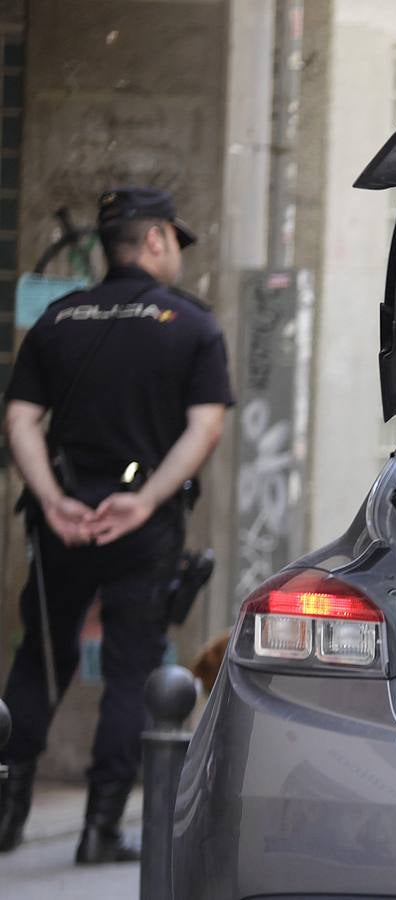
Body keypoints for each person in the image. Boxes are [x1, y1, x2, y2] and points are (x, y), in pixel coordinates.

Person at [0, 187, 233, 863]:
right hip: (142, 523)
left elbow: (19, 421)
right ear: (156, 239)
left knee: (41, 658)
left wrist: (50, 499)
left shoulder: (58, 319)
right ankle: (100, 829)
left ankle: (8, 817)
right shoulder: (190, 323)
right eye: (175, 244)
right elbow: (206, 424)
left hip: (63, 519)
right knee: (134, 670)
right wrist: (148, 498)